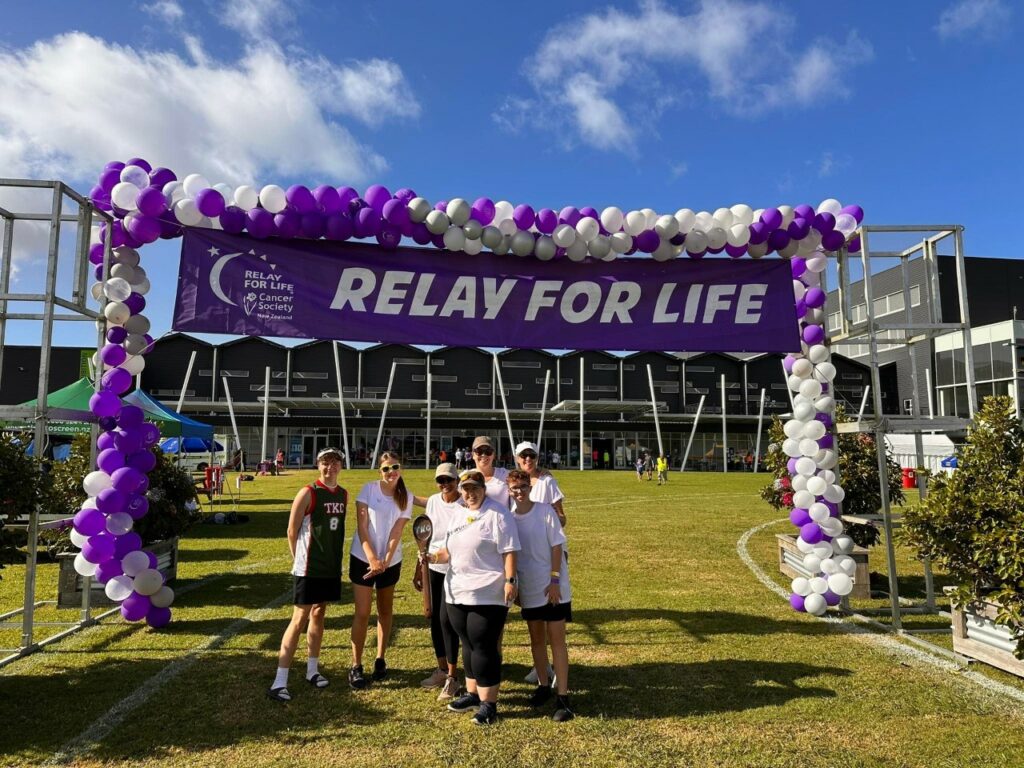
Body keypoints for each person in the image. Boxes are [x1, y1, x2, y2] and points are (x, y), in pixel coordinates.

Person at [424, 470, 520, 725]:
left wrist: (510, 581)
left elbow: (509, 550)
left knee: (483, 645)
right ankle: (473, 693)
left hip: (487, 593)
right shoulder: (458, 513)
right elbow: (448, 552)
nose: (470, 493)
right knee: (466, 643)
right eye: (465, 489)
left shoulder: (498, 515)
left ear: (483, 489)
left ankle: (489, 704)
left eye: (474, 488)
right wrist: (432, 557)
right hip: (457, 592)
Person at [268, 447, 348, 702]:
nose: (330, 467)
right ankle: (279, 680)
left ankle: (312, 669)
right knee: (299, 617)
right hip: (308, 567)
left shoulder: (344, 494)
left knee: (319, 612)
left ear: (341, 467)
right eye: (325, 462)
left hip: (330, 567)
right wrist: (299, 560)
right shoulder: (308, 492)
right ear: (318, 465)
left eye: (335, 463)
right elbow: (291, 531)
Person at [507, 469, 574, 721]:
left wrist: (555, 579)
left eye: (523, 487)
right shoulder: (510, 518)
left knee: (557, 640)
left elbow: (557, 545)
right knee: (536, 640)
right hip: (530, 589)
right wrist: (516, 587)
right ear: (509, 491)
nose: (520, 492)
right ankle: (544, 686)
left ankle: (563, 697)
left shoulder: (545, 512)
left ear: (530, 487)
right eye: (515, 488)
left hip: (553, 588)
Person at [348, 451, 412, 689]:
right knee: (362, 612)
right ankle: (356, 665)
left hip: (390, 562)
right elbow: (362, 526)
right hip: (362, 557)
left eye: (394, 467)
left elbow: (397, 531)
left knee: (385, 611)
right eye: (386, 468)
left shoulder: (405, 496)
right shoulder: (369, 489)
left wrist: (385, 559)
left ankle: (380, 659)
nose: (391, 472)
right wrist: (373, 558)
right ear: (379, 471)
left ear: (401, 468)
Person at [412, 462, 464, 701]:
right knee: (434, 618)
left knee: (448, 620)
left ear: (457, 481)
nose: (445, 485)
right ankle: (442, 668)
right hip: (432, 566)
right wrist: (418, 569)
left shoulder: (465, 502)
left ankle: (453, 676)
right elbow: (425, 537)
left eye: (449, 481)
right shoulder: (433, 501)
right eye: (441, 481)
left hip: (456, 568)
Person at [470, 435, 509, 509]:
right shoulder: (465, 477)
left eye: (488, 451)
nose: (484, 455)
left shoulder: (505, 474)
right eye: (479, 451)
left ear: (494, 455)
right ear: (473, 455)